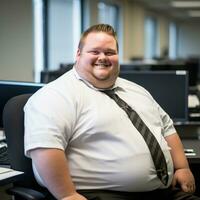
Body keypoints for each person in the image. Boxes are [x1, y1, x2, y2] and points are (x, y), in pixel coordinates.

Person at [24, 24, 199, 200]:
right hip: (100, 195)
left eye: (109, 52)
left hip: (164, 191)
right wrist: (67, 195)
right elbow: (45, 148)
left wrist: (182, 168)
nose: (102, 57)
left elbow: (167, 128)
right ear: (78, 54)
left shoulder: (136, 90)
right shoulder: (55, 95)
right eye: (94, 52)